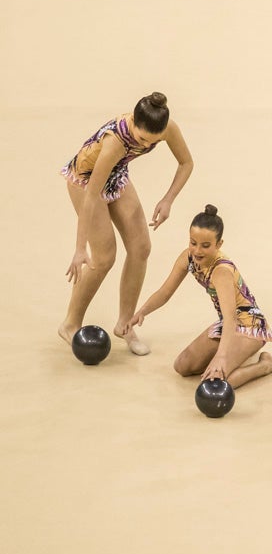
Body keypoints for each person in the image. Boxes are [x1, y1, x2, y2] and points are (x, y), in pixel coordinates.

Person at [60, 91, 194, 356]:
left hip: (116, 174)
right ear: (133, 120)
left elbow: (186, 162)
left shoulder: (166, 128)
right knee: (104, 256)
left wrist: (168, 199)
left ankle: (125, 324)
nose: (146, 145)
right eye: (143, 139)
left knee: (141, 247)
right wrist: (79, 248)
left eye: (153, 141)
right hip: (86, 182)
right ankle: (70, 324)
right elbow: (91, 196)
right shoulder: (115, 143)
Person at [129, 205, 272, 388]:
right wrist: (142, 311)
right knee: (182, 366)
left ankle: (265, 365)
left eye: (205, 246)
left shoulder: (221, 271)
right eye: (193, 243)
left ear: (219, 244)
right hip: (228, 324)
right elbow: (165, 291)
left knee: (218, 383)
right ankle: (236, 353)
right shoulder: (188, 257)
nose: (198, 251)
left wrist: (221, 358)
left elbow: (231, 317)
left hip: (250, 326)